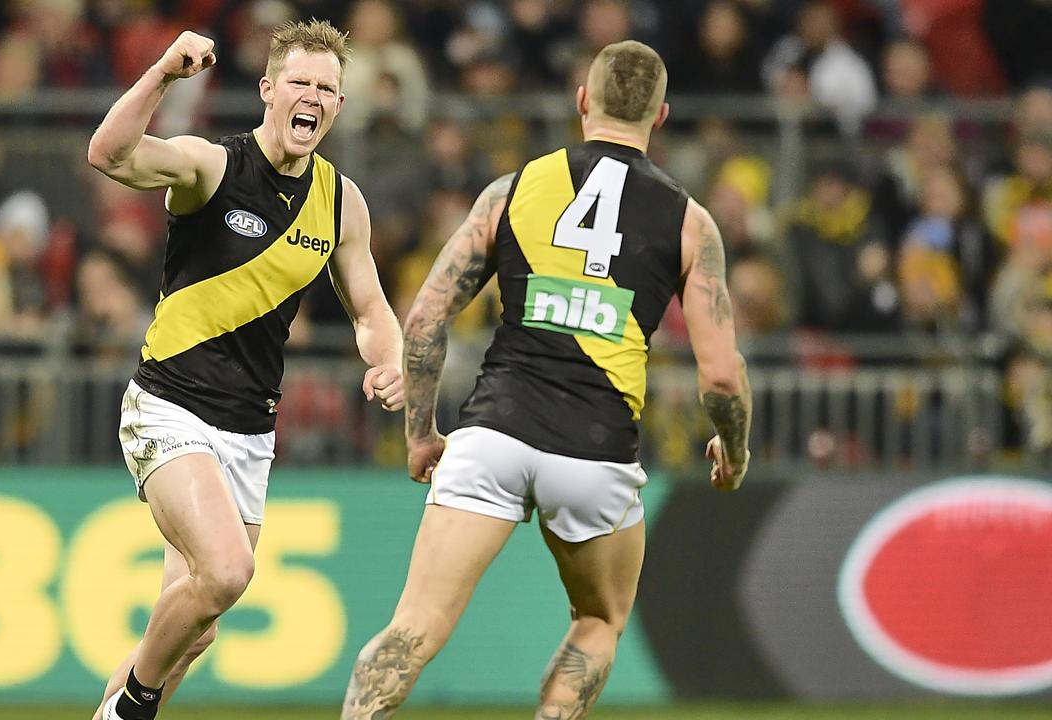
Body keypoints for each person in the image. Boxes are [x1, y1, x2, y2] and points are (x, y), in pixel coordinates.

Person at [341, 40, 752, 719]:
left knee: (412, 629)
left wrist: (421, 434)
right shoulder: (690, 223)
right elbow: (722, 380)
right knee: (598, 621)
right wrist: (733, 453)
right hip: (595, 450)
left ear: (583, 101)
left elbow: (425, 319)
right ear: (662, 116)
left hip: (492, 432)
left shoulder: (512, 190)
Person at [86, 21, 404, 720]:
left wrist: (391, 362)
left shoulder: (341, 202)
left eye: (326, 88)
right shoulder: (211, 167)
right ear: (268, 90)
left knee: (196, 626)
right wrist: (164, 73)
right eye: (300, 82)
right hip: (169, 404)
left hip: (249, 432)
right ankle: (131, 707)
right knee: (226, 572)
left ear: (339, 107)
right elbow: (108, 152)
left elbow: (371, 308)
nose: (312, 97)